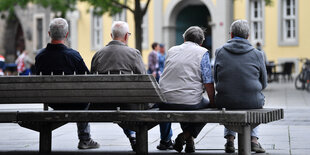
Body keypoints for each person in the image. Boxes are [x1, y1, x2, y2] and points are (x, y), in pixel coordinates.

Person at [35, 18, 100, 150]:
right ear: (66, 34)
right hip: (75, 101)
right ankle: (85, 139)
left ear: (49, 34)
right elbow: (88, 79)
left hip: (51, 101)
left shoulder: (40, 56)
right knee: (83, 100)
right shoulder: (73, 55)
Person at [91, 21, 146, 152]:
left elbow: (92, 77)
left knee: (119, 103)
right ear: (127, 36)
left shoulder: (98, 55)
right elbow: (144, 79)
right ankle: (135, 135)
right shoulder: (134, 54)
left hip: (101, 104)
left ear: (111, 35)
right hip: (129, 104)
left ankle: (132, 135)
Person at [158, 26, 215, 153]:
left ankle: (189, 142)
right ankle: (186, 136)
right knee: (207, 108)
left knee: (184, 99)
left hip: (166, 100)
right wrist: (213, 102)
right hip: (189, 101)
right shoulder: (203, 52)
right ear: (201, 42)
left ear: (184, 38)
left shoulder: (171, 50)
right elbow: (208, 81)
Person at [214, 20, 267, 153]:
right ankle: (253, 140)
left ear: (231, 35)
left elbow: (216, 79)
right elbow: (264, 83)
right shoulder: (258, 54)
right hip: (252, 101)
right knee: (252, 100)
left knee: (230, 100)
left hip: (225, 101)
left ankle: (230, 140)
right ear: (248, 36)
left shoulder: (219, 52)